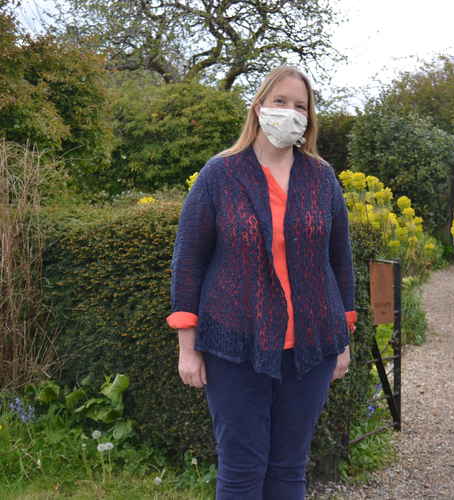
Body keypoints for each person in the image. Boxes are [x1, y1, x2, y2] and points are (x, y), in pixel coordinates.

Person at [166, 66, 357, 500]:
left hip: (310, 347)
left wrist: (341, 338)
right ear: (258, 106)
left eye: (300, 106)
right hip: (235, 344)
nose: (289, 112)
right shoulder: (220, 174)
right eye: (280, 102)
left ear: (310, 118)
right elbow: (189, 259)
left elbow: (340, 261)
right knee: (240, 471)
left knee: (290, 469)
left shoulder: (321, 177)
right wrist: (187, 344)